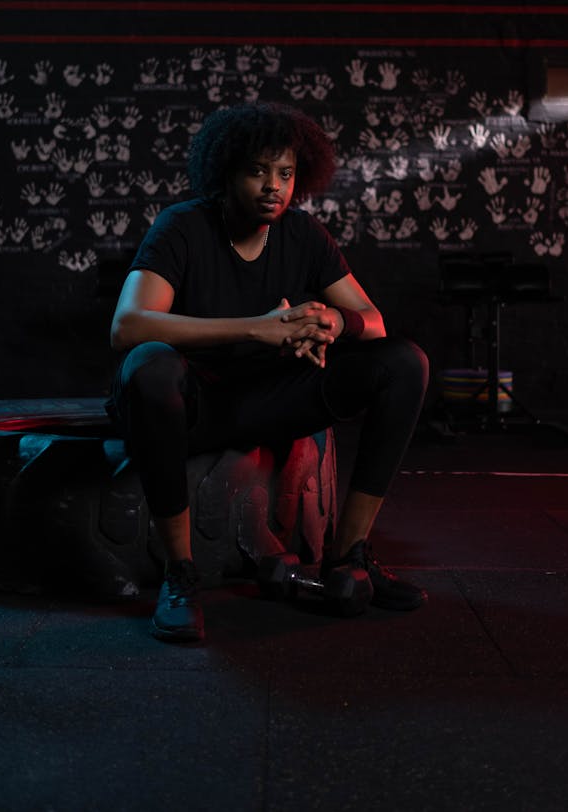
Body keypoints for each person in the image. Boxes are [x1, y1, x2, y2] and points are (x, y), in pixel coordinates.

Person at [107, 101, 429, 643]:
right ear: (226, 171)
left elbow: (373, 321)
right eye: (258, 171)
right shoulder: (183, 226)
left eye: (285, 173)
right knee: (149, 367)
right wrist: (257, 328)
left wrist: (332, 321)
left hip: (266, 401)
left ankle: (347, 559)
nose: (272, 186)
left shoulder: (304, 234)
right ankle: (180, 574)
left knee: (403, 361)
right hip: (194, 406)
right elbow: (129, 326)